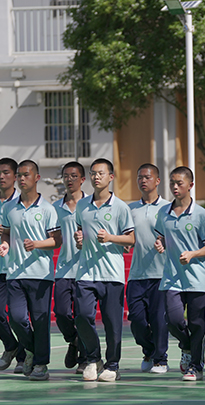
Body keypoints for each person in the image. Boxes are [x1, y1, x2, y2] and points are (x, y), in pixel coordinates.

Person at [0, 160, 62, 381]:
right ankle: (31, 350)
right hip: (15, 273)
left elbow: (57, 241)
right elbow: (6, 233)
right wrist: (5, 245)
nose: (22, 179)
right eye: (19, 175)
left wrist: (37, 244)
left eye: (26, 175)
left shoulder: (48, 209)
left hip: (41, 274)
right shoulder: (9, 208)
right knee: (16, 318)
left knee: (40, 321)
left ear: (37, 178)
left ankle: (41, 364)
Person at [154, 166, 205, 382]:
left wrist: (193, 254)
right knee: (172, 320)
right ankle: (187, 345)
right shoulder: (163, 213)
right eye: (172, 182)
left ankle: (195, 366)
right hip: (172, 276)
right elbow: (162, 237)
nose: (174, 187)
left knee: (196, 323)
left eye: (179, 183)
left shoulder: (201, 214)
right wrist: (160, 243)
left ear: (190, 185)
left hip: (196, 278)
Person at [73, 158, 135, 382]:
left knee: (112, 323)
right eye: (93, 173)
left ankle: (112, 365)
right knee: (82, 316)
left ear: (111, 177)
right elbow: (80, 234)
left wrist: (110, 238)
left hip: (112, 274)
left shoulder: (120, 207)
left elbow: (131, 239)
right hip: (86, 272)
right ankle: (93, 358)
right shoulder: (82, 205)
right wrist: (79, 240)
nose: (96, 177)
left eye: (101, 173)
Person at [126, 163, 171, 374]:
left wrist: (165, 243)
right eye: (140, 177)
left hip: (161, 275)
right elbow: (126, 236)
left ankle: (160, 359)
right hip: (137, 274)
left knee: (159, 320)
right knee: (137, 320)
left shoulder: (168, 208)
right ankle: (149, 350)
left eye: (147, 177)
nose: (143, 181)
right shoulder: (130, 209)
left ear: (157, 181)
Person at [0, 158, 27, 374]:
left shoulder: (22, 203)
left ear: (15, 176)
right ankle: (11, 346)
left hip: (19, 269)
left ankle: (23, 357)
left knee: (18, 317)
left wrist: (10, 233)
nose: (1, 176)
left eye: (6, 172)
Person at [53, 161, 90, 373]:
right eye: (66, 176)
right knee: (61, 312)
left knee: (82, 315)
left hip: (87, 270)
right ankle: (73, 340)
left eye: (74, 176)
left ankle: (84, 358)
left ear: (82, 179)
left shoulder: (91, 206)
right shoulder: (56, 208)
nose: (69, 180)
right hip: (64, 269)